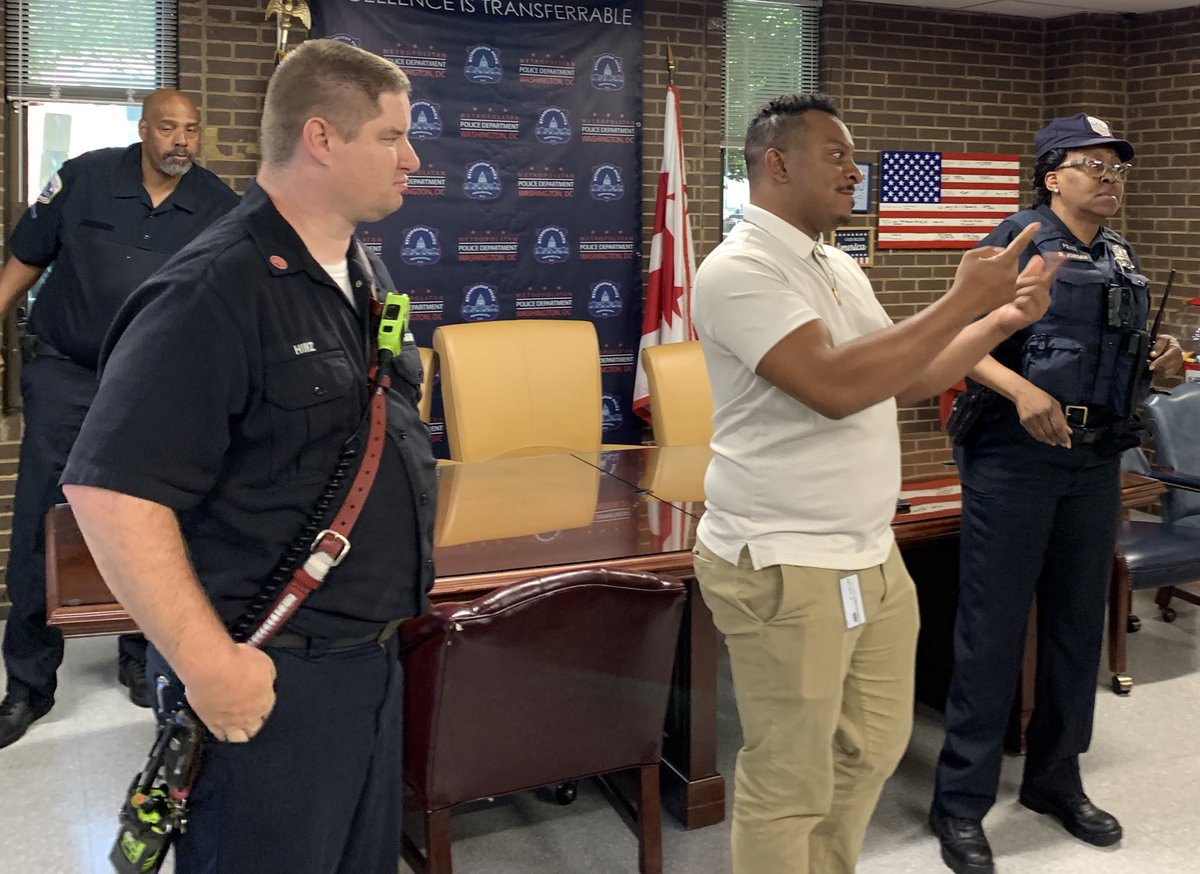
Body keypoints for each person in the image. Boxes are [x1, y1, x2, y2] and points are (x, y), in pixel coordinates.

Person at [59, 39, 433, 873]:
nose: (412, 159)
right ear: (322, 139)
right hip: (266, 682)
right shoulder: (212, 289)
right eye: (392, 137)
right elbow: (107, 491)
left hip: (362, 670)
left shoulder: (352, 270)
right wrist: (207, 664)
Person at [690, 93, 1064, 874]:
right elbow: (830, 385)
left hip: (869, 556)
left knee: (871, 748)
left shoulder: (833, 263)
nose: (857, 171)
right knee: (790, 775)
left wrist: (997, 322)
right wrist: (963, 296)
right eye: (838, 155)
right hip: (785, 561)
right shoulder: (738, 270)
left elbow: (906, 375)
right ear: (777, 163)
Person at [929, 114, 1182, 874]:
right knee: (993, 629)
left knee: (1077, 625)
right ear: (1051, 176)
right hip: (1016, 455)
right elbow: (952, 344)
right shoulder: (1013, 244)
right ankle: (962, 806)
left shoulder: (1119, 255)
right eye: (1091, 165)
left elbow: (1121, 361)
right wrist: (1020, 393)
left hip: (1095, 458)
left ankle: (1054, 780)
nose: (1109, 177)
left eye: (1117, 168)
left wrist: (1163, 364)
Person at [0, 89, 238, 747]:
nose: (181, 140)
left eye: (192, 129)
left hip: (154, 391)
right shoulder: (84, 178)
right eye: (168, 127)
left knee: (155, 524)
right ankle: (27, 685)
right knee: (41, 527)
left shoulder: (219, 205)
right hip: (67, 378)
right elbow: (26, 259)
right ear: (144, 129)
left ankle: (141, 658)